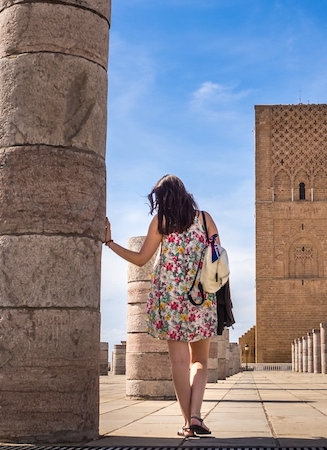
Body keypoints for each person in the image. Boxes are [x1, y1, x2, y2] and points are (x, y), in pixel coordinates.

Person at [104, 174, 219, 438]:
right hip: (201, 297)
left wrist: (110, 243)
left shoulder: (161, 222)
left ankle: (187, 425)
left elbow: (141, 258)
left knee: (178, 362)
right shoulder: (204, 218)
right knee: (199, 360)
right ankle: (196, 415)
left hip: (171, 299)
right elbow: (218, 256)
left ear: (161, 198)